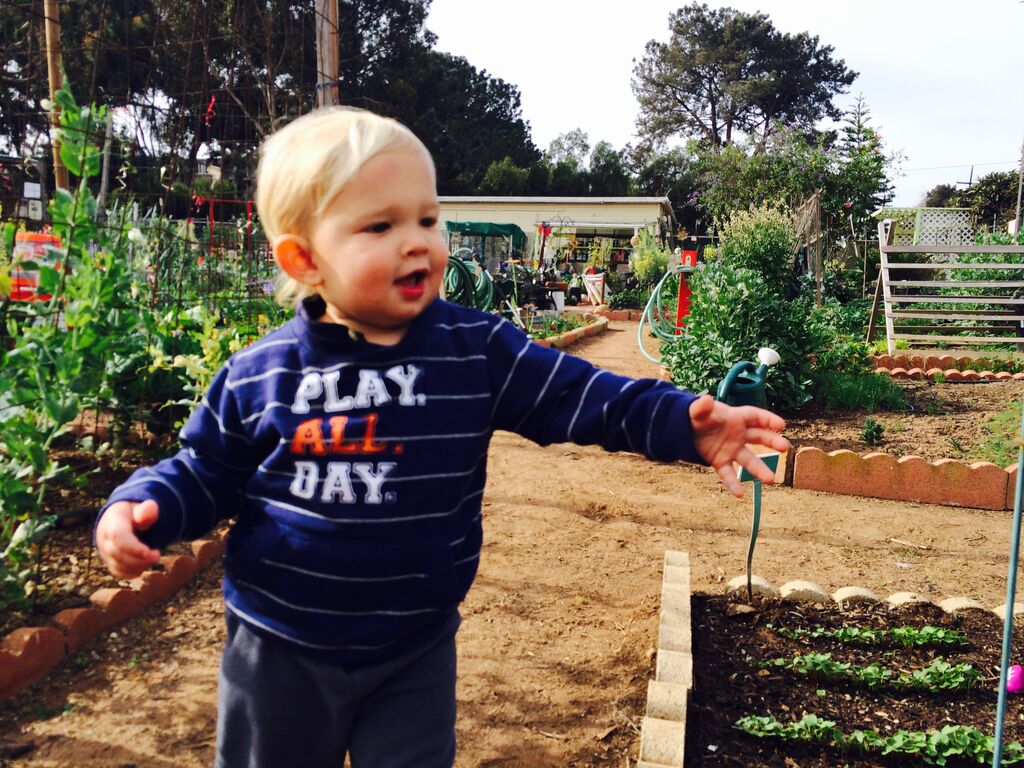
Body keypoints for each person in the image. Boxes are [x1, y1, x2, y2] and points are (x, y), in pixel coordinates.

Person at [95, 106, 789, 768]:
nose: (417, 239)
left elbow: (579, 395)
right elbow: (205, 468)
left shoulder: (474, 349)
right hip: (280, 646)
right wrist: (144, 506)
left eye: (427, 217)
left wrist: (677, 421)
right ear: (304, 258)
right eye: (379, 226)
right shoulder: (260, 374)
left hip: (414, 646)